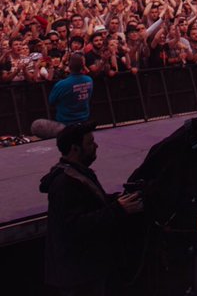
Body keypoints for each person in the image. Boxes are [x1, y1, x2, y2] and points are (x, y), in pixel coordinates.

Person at [40, 122, 143, 295]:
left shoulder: (78, 173)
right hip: (77, 274)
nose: (96, 146)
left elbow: (91, 204)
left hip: (84, 269)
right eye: (90, 143)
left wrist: (117, 200)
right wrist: (117, 209)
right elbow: (74, 225)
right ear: (75, 149)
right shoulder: (65, 183)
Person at [48, 53, 94, 125]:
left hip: (66, 122)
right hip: (84, 119)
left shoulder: (62, 84)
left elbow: (51, 101)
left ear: (69, 66)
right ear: (83, 66)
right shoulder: (89, 80)